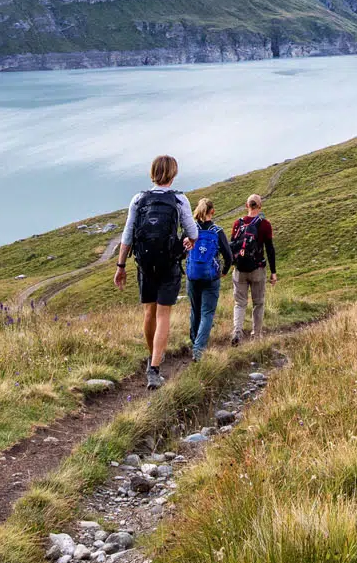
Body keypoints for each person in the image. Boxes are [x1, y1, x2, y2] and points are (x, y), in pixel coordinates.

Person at [112, 155, 196, 389]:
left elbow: (127, 236)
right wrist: (187, 242)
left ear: (152, 172)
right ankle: (155, 367)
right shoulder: (179, 200)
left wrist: (120, 266)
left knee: (149, 313)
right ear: (173, 173)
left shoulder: (138, 199)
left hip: (145, 264)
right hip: (169, 264)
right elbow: (193, 232)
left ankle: (153, 357)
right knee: (163, 315)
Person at [182, 198, 232, 357]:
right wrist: (223, 272)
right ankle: (198, 350)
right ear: (213, 211)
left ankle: (194, 342)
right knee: (207, 313)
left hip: (193, 276)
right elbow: (229, 256)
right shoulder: (217, 231)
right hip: (211, 278)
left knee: (195, 311)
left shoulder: (190, 230)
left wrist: (184, 270)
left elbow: (179, 251)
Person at [227, 193, 278, 344]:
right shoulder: (265, 224)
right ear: (260, 206)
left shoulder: (238, 223)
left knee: (240, 303)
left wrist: (232, 264)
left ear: (246, 205)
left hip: (240, 270)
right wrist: (273, 272)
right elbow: (270, 249)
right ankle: (256, 336)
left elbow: (232, 246)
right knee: (258, 303)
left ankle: (237, 333)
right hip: (257, 269)